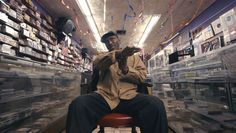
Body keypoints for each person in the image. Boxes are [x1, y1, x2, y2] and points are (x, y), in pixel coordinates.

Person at [66, 31, 168, 133]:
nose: (109, 42)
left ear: (118, 40)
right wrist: (119, 55)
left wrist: (126, 69)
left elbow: (141, 76)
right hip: (104, 97)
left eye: (112, 39)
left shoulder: (134, 58)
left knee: (156, 105)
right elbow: (98, 64)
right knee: (78, 104)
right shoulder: (102, 56)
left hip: (129, 98)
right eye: (106, 41)